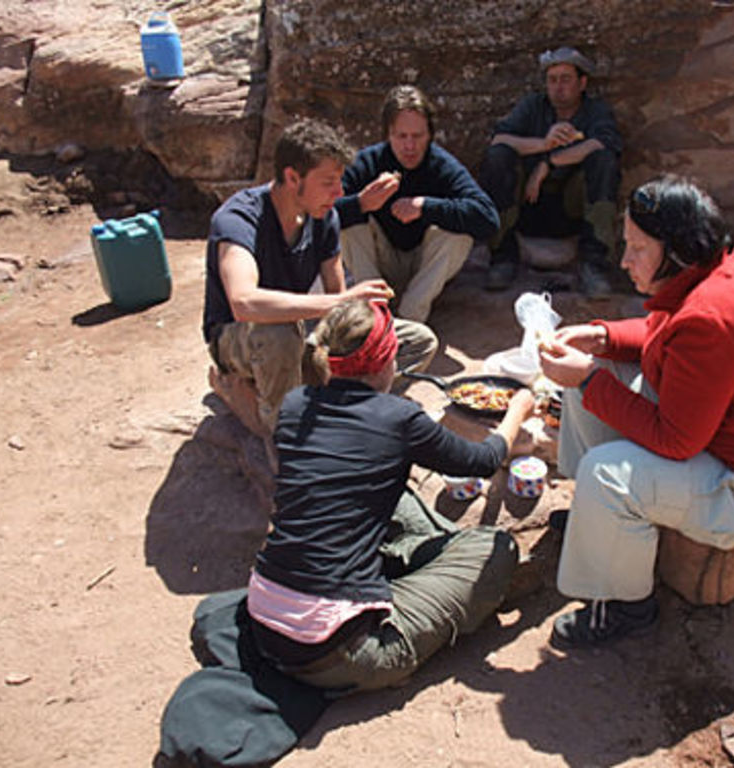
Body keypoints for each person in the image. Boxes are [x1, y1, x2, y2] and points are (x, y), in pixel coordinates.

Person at [539, 174, 734, 648]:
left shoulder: (713, 316)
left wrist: (589, 377)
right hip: (729, 443)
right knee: (593, 376)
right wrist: (603, 338)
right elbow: (663, 333)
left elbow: (677, 440)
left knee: (606, 471)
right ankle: (602, 522)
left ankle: (626, 607)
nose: (624, 259)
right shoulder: (713, 271)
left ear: (674, 253)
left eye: (637, 248)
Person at [246, 298, 536, 691]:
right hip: (340, 651)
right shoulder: (399, 419)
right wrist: (518, 408)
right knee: (496, 547)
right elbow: (484, 459)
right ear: (387, 362)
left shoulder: (297, 403)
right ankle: (404, 608)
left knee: (393, 497)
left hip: (265, 617)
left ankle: (416, 565)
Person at [202, 118, 439, 439]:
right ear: (292, 177)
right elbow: (244, 302)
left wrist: (360, 318)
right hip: (241, 337)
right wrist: (339, 302)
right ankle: (283, 432)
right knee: (280, 335)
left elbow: (338, 306)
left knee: (416, 341)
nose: (340, 192)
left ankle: (329, 407)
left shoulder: (324, 215)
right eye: (329, 182)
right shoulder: (239, 219)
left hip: (303, 329)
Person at [334, 85, 500, 323]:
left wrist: (425, 207)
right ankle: (375, 314)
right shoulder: (368, 162)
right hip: (379, 263)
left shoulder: (441, 165)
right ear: (388, 134)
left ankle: (411, 319)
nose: (409, 146)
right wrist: (361, 203)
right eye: (401, 136)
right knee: (348, 225)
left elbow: (488, 219)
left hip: (424, 269)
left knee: (459, 235)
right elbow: (319, 214)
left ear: (429, 134)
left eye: (417, 136)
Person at [479, 46, 622, 297]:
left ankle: (594, 265)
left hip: (571, 208)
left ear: (582, 82)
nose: (558, 87)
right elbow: (499, 139)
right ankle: (502, 257)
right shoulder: (534, 106)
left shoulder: (593, 110)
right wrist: (543, 144)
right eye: (552, 80)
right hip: (528, 205)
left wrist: (549, 162)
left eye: (566, 79)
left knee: (603, 161)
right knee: (498, 157)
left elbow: (603, 143)